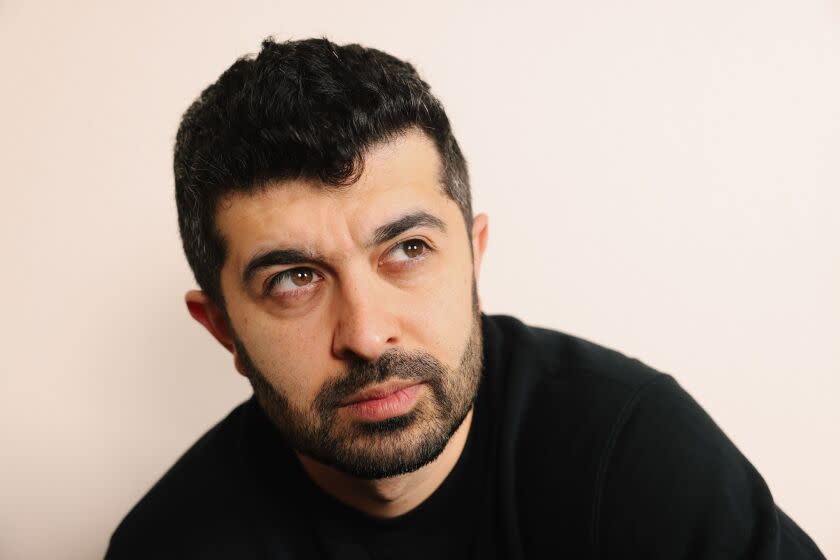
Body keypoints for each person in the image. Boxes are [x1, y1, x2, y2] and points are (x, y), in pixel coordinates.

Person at [106, 37, 825, 559]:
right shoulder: (172, 542)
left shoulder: (631, 451)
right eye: (294, 278)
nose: (367, 332)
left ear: (474, 259)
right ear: (223, 329)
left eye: (408, 250)